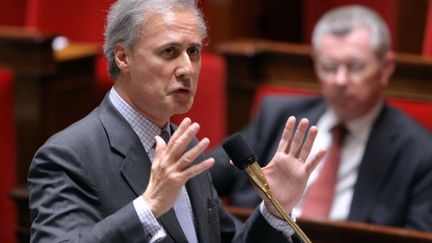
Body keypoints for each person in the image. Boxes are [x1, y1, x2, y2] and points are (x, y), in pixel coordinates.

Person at [28, 0, 326, 242]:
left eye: (193, 52)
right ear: (123, 57)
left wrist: (274, 211)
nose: (187, 68)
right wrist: (148, 207)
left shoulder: (184, 146)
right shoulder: (68, 155)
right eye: (169, 52)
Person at [210, 5, 432, 231]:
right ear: (316, 63)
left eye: (355, 67)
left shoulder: (420, 152)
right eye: (329, 67)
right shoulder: (278, 116)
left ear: (386, 68)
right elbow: (203, 176)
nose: (341, 80)